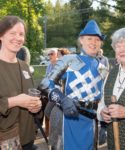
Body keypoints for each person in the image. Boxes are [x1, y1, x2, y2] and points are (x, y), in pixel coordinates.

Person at [39, 19, 107, 150]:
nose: (93, 42)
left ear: (101, 43)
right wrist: (62, 99)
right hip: (68, 119)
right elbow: (45, 84)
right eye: (89, 38)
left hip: (91, 122)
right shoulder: (68, 60)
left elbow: (104, 98)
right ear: (81, 40)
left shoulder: (103, 68)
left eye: (97, 40)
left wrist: (103, 124)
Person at [0, 15, 42, 150]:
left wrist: (37, 105)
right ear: (1, 35)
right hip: (5, 141)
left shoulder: (24, 66)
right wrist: (14, 101)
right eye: (12, 33)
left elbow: (31, 96)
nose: (18, 38)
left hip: (27, 138)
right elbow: (18, 100)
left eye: (21, 34)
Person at [97, 48, 109, 145]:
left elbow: (106, 74)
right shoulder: (93, 61)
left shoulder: (103, 61)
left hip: (102, 87)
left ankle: (103, 131)